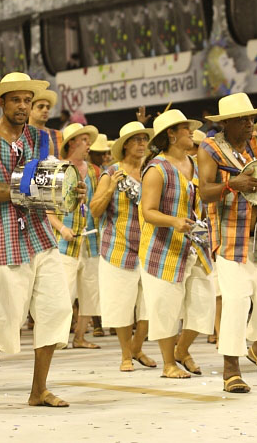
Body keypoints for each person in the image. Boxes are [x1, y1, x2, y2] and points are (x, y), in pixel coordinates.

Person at [0, 72, 76, 407]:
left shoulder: (41, 138)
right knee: (5, 314)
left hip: (39, 233)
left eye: (27, 100)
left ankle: (38, 390)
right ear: (1, 102)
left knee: (56, 308)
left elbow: (50, 182)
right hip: (2, 234)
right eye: (16, 99)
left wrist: (70, 190)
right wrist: (28, 193)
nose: (23, 106)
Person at [198, 93, 257, 393]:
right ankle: (231, 371)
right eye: (243, 119)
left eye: (251, 118)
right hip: (230, 236)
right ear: (226, 123)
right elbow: (204, 192)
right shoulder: (210, 148)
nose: (250, 124)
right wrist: (230, 184)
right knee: (236, 301)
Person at [139, 110, 214, 378]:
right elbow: (148, 211)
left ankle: (182, 350)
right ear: (171, 134)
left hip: (196, 245)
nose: (191, 132)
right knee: (166, 307)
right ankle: (169, 363)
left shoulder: (194, 163)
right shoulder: (156, 169)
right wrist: (174, 222)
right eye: (185, 128)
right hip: (163, 249)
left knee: (204, 303)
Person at [90, 121, 157, 372]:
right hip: (118, 245)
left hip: (150, 245)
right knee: (122, 303)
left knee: (151, 303)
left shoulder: (153, 169)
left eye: (144, 139)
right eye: (136, 139)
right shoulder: (110, 172)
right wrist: (109, 189)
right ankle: (125, 354)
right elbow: (95, 211)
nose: (141, 144)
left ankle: (137, 348)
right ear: (126, 144)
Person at [47, 123, 101, 349]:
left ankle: (79, 336)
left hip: (90, 239)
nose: (89, 145)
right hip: (65, 241)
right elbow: (46, 207)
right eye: (84, 140)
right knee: (63, 292)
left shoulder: (94, 171)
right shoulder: (58, 169)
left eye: (89, 141)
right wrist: (61, 228)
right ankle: (57, 337)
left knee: (90, 291)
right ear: (72, 143)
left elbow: (97, 203)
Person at [28, 90, 63, 158]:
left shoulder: (59, 135)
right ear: (29, 110)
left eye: (48, 107)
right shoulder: (20, 135)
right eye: (40, 107)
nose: (45, 110)